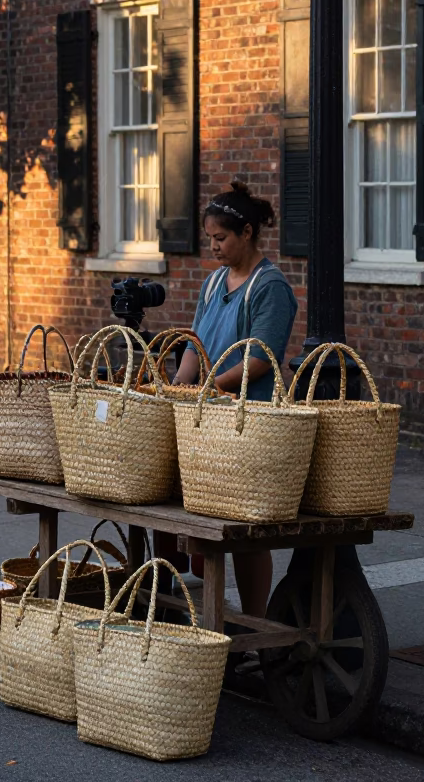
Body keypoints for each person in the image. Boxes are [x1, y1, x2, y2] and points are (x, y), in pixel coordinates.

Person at [168, 180, 298, 618]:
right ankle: (206, 610)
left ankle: (256, 621)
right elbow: (194, 344)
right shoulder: (212, 284)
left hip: (249, 418)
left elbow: (260, 358)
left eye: (220, 238)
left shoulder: (270, 287)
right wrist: (177, 388)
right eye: (209, 239)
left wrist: (211, 387)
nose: (214, 247)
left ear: (246, 232)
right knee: (199, 522)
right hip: (207, 417)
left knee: (244, 535)